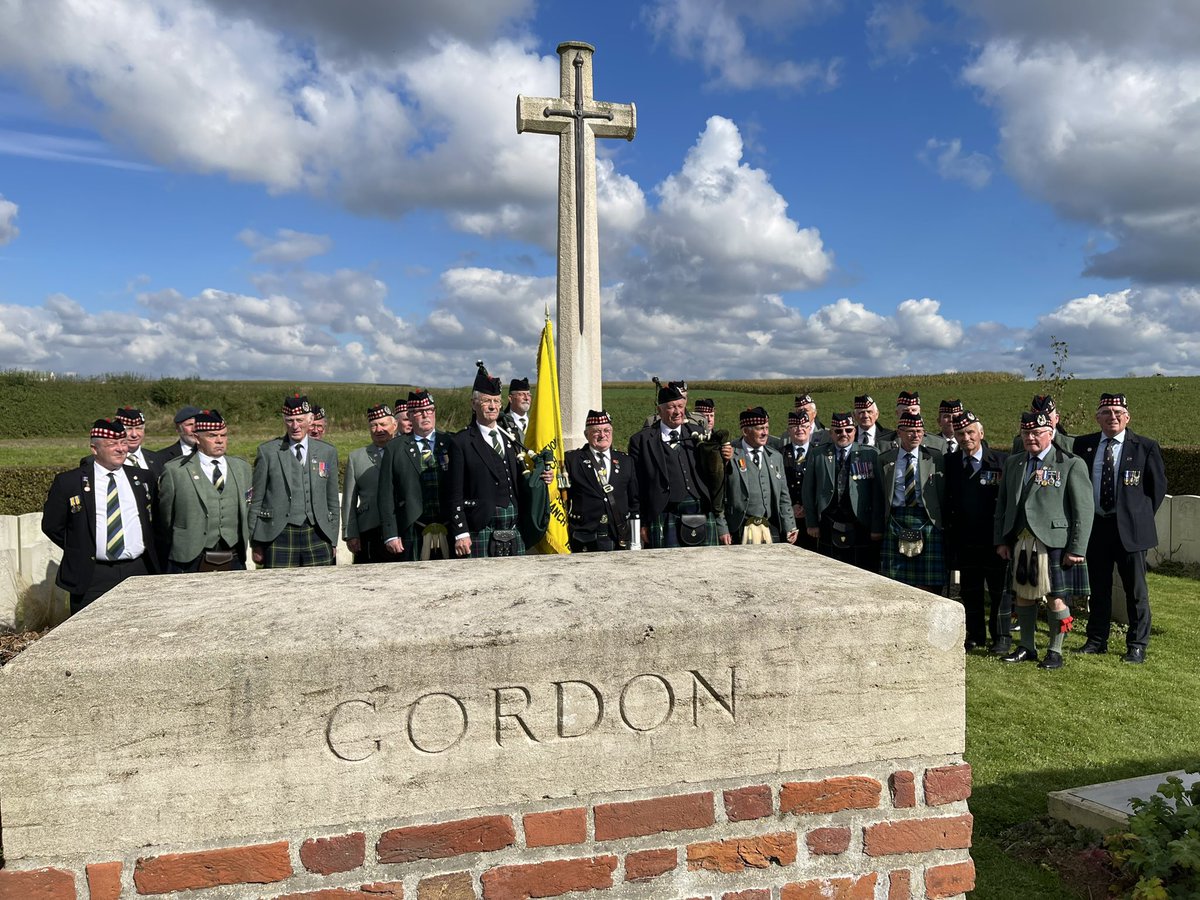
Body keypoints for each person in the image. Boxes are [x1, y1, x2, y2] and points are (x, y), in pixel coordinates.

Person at [994, 411, 1093, 669]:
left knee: (1055, 598)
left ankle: (1055, 651)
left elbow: (1083, 509)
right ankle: (1027, 646)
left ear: (1050, 433)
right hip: (1021, 540)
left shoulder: (1070, 463)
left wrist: (1077, 548)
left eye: (1037, 432)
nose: (1030, 438)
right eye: (1026, 433)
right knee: (1024, 596)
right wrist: (1001, 540)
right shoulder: (1014, 463)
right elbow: (1002, 505)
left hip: (1055, 541)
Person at [1072, 393, 1167, 663]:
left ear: (1127, 417)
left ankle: (1136, 644)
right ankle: (1096, 639)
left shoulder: (1145, 447)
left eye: (1117, 412)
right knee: (1099, 588)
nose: (1112, 417)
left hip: (1130, 530)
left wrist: (1137, 516)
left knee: (1135, 590)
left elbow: (1156, 488)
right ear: (1097, 417)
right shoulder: (1084, 445)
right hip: (1097, 527)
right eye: (1106, 412)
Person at [42, 418, 159, 615]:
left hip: (139, 570)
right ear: (94, 449)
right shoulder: (70, 482)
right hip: (93, 575)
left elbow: (155, 521)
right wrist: (82, 545)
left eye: (123, 443)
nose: (121, 449)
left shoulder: (143, 478)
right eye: (112, 444)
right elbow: (52, 525)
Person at [448, 365, 553, 558]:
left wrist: (542, 477)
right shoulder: (461, 442)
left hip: (514, 524)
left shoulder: (510, 438)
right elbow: (454, 492)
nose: (492, 406)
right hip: (480, 527)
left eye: (496, 401)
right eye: (487, 401)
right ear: (474, 404)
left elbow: (522, 478)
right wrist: (461, 532)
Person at [628, 382, 725, 548]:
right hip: (663, 512)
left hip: (699, 508)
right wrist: (641, 522)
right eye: (672, 407)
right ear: (659, 410)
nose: (678, 412)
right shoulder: (642, 441)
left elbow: (714, 472)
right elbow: (636, 485)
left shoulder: (698, 433)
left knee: (706, 565)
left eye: (680, 406)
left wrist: (725, 458)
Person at [944, 410, 1009, 653]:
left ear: (981, 433)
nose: (966, 437)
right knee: (970, 591)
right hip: (964, 538)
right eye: (960, 433)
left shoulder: (1001, 461)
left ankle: (1001, 637)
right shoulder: (949, 462)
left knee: (999, 591)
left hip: (994, 539)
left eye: (970, 432)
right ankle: (976, 635)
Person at [249, 394, 340, 567]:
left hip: (318, 534)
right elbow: (256, 500)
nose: (295, 426)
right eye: (290, 420)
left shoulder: (327, 452)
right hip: (278, 534)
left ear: (311, 419)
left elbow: (332, 500)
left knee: (321, 590)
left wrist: (332, 538)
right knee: (280, 590)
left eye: (300, 419)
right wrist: (256, 543)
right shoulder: (267, 452)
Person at [157, 409, 251, 573]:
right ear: (197, 438)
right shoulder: (175, 471)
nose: (220, 441)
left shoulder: (242, 468)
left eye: (223, 435)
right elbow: (166, 518)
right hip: (190, 557)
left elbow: (248, 506)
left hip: (233, 554)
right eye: (212, 436)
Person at [803, 412, 884, 570]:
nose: (844, 434)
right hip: (828, 523)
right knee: (830, 572)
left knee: (863, 573)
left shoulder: (870, 454)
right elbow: (808, 491)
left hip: (861, 523)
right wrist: (812, 523)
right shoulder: (818, 454)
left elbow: (877, 495)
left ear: (855, 431)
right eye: (838, 431)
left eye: (848, 430)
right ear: (830, 433)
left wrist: (876, 527)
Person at [379, 390, 454, 561]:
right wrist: (391, 533)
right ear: (410, 416)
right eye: (419, 412)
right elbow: (386, 494)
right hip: (412, 527)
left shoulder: (451, 442)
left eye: (429, 410)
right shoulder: (395, 448)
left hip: (448, 525)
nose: (425, 415)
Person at [878, 413, 946, 592]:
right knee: (894, 583)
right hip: (896, 520)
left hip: (927, 520)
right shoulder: (886, 459)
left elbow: (943, 493)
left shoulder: (935, 458)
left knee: (928, 585)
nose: (916, 435)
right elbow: (878, 495)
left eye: (919, 431)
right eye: (910, 431)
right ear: (899, 433)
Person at [562, 410, 639, 552]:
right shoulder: (572, 460)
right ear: (586, 435)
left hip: (618, 535)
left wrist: (636, 539)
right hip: (584, 535)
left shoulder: (626, 461)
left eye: (607, 430)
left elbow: (634, 502)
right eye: (596, 431)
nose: (603, 435)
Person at [722, 407, 798, 545]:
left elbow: (783, 496)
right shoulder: (730, 455)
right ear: (745, 431)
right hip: (738, 528)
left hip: (770, 526)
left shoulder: (775, 457)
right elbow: (719, 497)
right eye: (760, 428)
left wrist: (790, 525)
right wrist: (722, 528)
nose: (765, 433)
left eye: (767, 428)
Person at [342, 403, 398, 564]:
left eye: (383, 424)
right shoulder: (356, 457)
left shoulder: (405, 451)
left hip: (400, 529)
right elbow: (348, 500)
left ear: (394, 425)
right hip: (369, 530)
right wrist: (350, 533)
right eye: (374, 425)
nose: (379, 429)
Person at [781, 410, 817, 550]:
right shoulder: (779, 454)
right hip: (788, 518)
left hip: (812, 521)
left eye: (804, 426)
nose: (800, 429)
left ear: (809, 428)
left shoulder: (818, 454)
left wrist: (807, 508)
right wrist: (791, 507)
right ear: (788, 430)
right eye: (795, 426)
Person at [115, 407, 166, 476]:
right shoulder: (109, 461)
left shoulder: (157, 459)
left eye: (138, 428)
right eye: (128, 429)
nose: (134, 434)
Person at [500, 377, 532, 446]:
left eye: (528, 394)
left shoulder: (535, 422)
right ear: (511, 398)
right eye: (521, 394)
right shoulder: (501, 423)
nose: (526, 398)